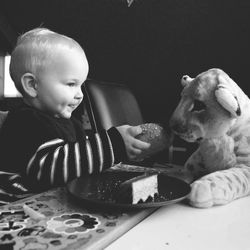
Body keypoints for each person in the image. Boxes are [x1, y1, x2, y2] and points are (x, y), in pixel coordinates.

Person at [0, 28, 150, 205]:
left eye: (81, 85)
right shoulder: (25, 122)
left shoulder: (71, 123)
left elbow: (82, 160)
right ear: (32, 85)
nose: (80, 95)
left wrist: (122, 152)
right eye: (71, 84)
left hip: (51, 205)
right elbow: (51, 169)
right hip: (15, 210)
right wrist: (114, 144)